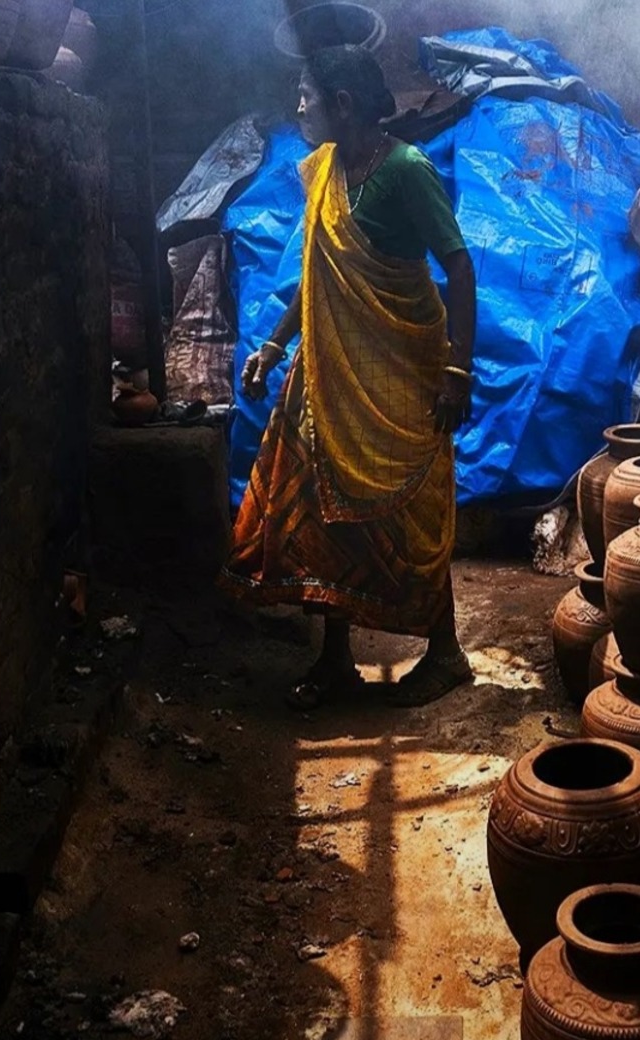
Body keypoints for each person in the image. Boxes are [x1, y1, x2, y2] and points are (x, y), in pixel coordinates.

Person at [221, 46, 478, 710]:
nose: (297, 105)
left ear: (343, 102)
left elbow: (460, 268)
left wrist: (457, 372)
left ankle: (445, 654)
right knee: (319, 508)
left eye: (306, 94)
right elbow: (317, 273)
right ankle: (335, 660)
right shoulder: (328, 169)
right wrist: (275, 348)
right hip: (330, 371)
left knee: (408, 511)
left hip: (399, 372)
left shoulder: (406, 171)